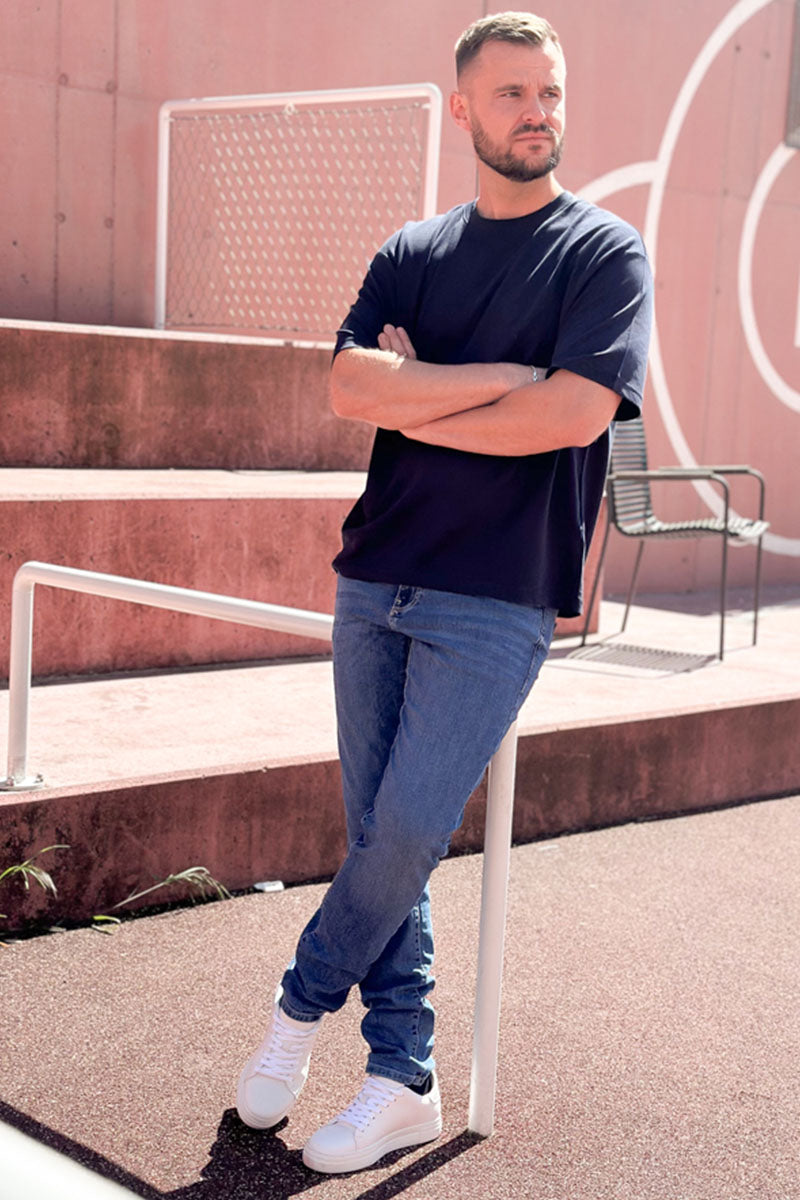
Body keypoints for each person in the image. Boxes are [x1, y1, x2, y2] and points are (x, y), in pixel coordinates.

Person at [236, 10, 653, 1175]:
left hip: (495, 595)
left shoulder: (602, 254)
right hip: (375, 575)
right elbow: (346, 389)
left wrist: (420, 392)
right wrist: (493, 382)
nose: (536, 113)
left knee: (409, 828)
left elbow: (569, 415)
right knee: (382, 838)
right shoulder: (410, 252)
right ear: (462, 106)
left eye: (549, 92)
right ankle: (402, 1078)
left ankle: (296, 1006)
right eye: (511, 92)